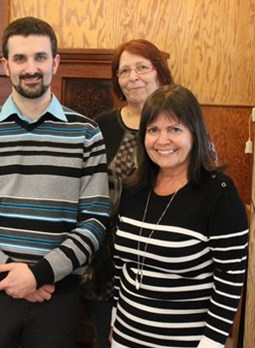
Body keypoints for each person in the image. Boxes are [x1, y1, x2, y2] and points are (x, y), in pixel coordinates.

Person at [0, 17, 111, 348]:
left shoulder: (87, 133)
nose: (31, 68)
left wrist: (39, 275)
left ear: (55, 62)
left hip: (56, 294)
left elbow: (95, 220)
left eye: (40, 57)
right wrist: (10, 273)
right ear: (6, 65)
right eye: (20, 58)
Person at [111, 84, 248, 347]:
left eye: (174, 129)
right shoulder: (133, 187)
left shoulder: (219, 192)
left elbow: (230, 279)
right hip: (125, 335)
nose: (162, 140)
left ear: (194, 133)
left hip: (187, 341)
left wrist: (211, 343)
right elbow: (121, 265)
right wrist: (115, 320)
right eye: (153, 130)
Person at [81, 39, 174, 348]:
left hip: (160, 257)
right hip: (105, 258)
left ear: (159, 72)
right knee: (106, 339)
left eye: (142, 67)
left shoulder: (179, 122)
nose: (132, 76)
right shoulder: (102, 125)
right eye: (124, 71)